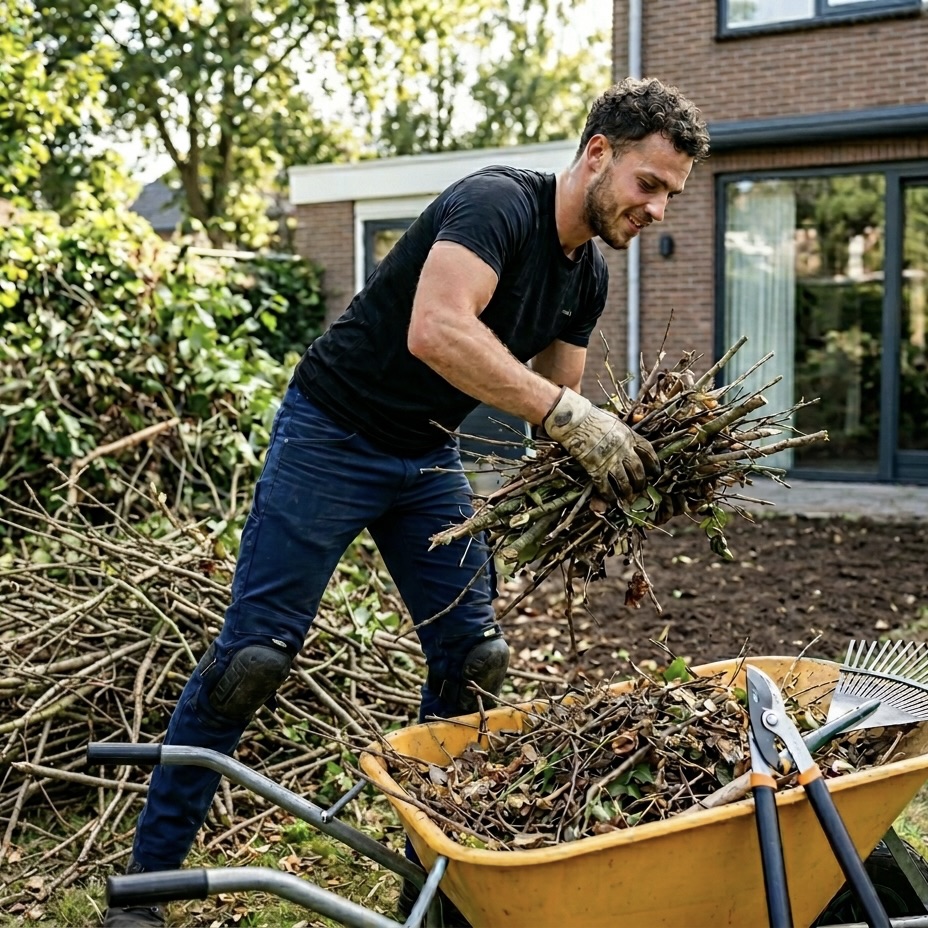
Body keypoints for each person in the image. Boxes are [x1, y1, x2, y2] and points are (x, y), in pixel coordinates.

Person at [103, 75, 710, 927]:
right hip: (331, 435)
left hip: (425, 457)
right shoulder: (497, 205)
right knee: (252, 664)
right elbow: (438, 329)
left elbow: (556, 417)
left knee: (475, 659)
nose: (657, 208)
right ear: (598, 153)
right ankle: (147, 886)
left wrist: (632, 474)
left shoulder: (588, 278)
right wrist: (570, 416)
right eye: (649, 183)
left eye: (671, 195)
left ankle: (432, 886)